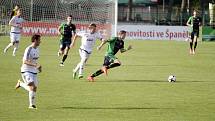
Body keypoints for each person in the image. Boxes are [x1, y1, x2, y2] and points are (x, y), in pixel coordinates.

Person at [15, 34, 42, 109]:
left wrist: (39, 68)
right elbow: (24, 61)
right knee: (32, 87)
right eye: (39, 40)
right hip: (26, 70)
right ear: (35, 40)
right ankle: (31, 105)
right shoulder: (29, 49)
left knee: (34, 89)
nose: (40, 41)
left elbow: (35, 61)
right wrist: (35, 65)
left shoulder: (37, 49)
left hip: (34, 71)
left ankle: (20, 84)